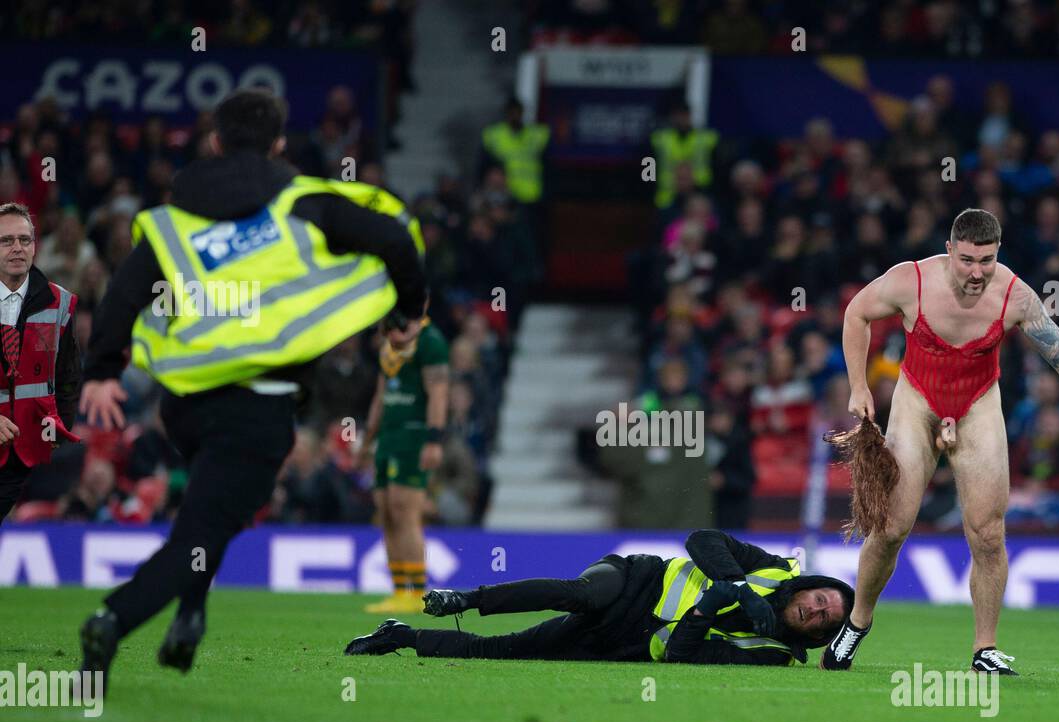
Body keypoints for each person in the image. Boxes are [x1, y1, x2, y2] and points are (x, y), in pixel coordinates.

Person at [77, 89, 426, 690]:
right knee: (204, 529)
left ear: (215, 142)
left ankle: (191, 614)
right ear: (279, 144)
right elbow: (396, 241)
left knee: (209, 511)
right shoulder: (305, 202)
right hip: (256, 406)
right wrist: (407, 314)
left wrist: (105, 369)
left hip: (185, 403)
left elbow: (123, 293)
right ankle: (113, 619)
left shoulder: (175, 219)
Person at [825, 208, 1059, 676]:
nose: (976, 272)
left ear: (998, 253)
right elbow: (856, 313)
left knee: (988, 534)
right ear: (949, 249)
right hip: (917, 404)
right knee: (891, 529)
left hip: (977, 407)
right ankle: (857, 623)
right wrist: (859, 386)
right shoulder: (911, 280)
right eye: (967, 259)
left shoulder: (1013, 294)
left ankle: (984, 649)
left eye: (986, 260)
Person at [344, 529, 854, 666]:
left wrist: (706, 608)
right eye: (822, 597)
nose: (815, 608)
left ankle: (403, 635)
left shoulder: (773, 653)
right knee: (582, 595)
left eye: (823, 620)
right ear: (811, 583)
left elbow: (679, 655)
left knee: (506, 651)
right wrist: (741, 588)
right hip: (634, 581)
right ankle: (466, 598)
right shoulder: (772, 568)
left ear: (817, 634)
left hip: (627, 643)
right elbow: (701, 539)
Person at [357, 310, 449, 613]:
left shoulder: (429, 341)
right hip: (388, 437)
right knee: (385, 511)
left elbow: (438, 392)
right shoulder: (389, 345)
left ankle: (418, 592)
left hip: (414, 436)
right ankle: (399, 590)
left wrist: (434, 439)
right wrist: (366, 441)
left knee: (405, 511)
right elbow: (380, 395)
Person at [0, 203, 82, 521]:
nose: (17, 248)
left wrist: (60, 429)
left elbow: (69, 374)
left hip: (32, 452)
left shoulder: (60, 302)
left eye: (25, 239)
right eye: (6, 241)